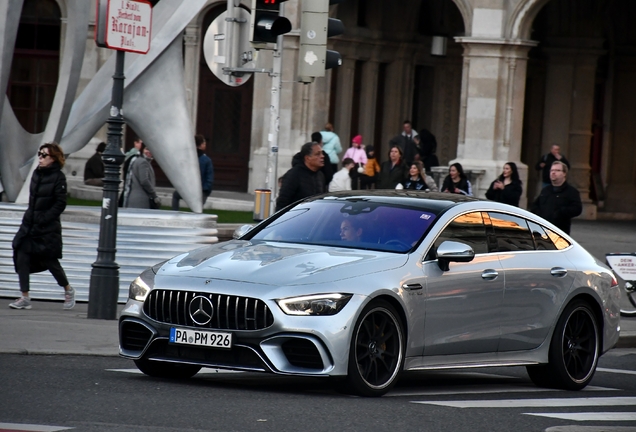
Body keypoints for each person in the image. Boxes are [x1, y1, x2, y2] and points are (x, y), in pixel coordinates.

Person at [9, 143, 75, 310]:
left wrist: (44, 218)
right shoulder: (36, 173)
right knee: (22, 255)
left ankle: (68, 289)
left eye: (44, 155)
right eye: (39, 153)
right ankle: (25, 296)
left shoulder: (58, 177)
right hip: (30, 225)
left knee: (50, 261)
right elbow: (33, 200)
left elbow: (60, 203)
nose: (40, 157)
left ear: (52, 158)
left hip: (47, 228)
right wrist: (30, 218)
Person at [530, 161, 582, 234]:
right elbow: (535, 206)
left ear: (564, 173)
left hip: (560, 232)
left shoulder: (571, 191)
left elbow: (577, 209)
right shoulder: (546, 190)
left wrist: (560, 213)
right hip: (542, 231)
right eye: (552, 170)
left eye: (557, 170)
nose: (553, 172)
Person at [276, 142, 325, 211]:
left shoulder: (320, 175)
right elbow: (283, 202)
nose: (322, 156)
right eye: (317, 154)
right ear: (307, 158)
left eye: (322, 153)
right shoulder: (293, 175)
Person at [171, 135, 214, 211]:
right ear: (201, 145)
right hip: (200, 190)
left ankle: (174, 212)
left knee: (176, 195)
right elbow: (209, 177)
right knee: (198, 209)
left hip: (188, 187)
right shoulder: (206, 160)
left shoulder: (188, 157)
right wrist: (206, 191)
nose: (205, 145)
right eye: (204, 143)